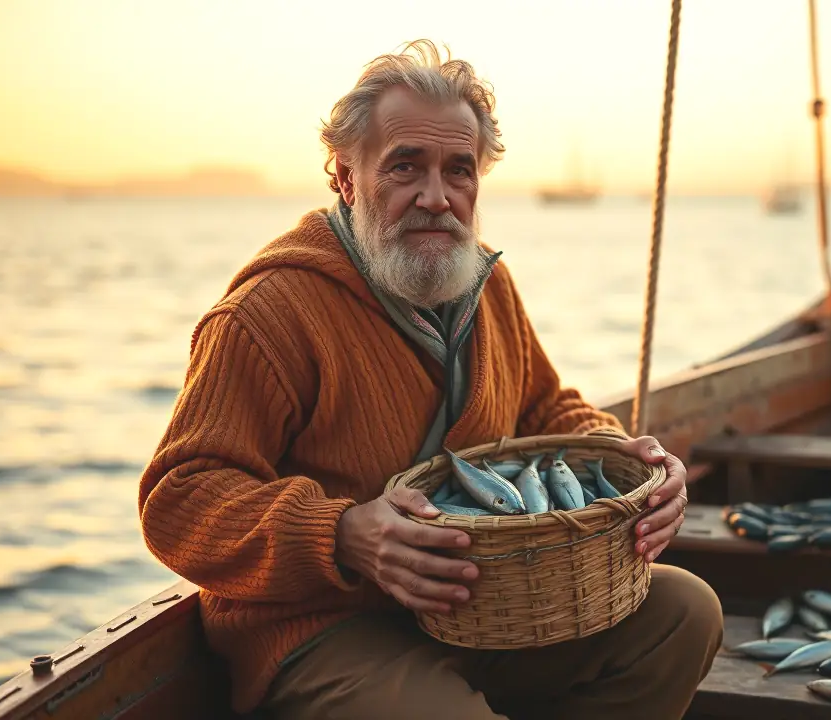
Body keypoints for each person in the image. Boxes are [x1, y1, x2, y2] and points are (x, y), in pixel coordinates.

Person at [137, 39, 724, 720]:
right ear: (347, 177)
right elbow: (178, 499)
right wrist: (344, 533)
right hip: (325, 628)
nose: (436, 197)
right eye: (406, 167)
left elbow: (546, 408)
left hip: (487, 612)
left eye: (459, 170)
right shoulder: (267, 313)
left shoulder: (487, 284)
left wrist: (627, 461)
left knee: (687, 613)